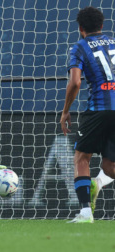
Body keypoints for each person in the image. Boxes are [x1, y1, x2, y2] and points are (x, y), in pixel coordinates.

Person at [60, 6, 115, 223]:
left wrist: (65, 111)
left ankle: (85, 213)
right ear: (102, 26)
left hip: (99, 109)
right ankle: (93, 193)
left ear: (80, 28)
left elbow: (75, 81)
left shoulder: (80, 47)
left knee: (82, 158)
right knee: (109, 167)